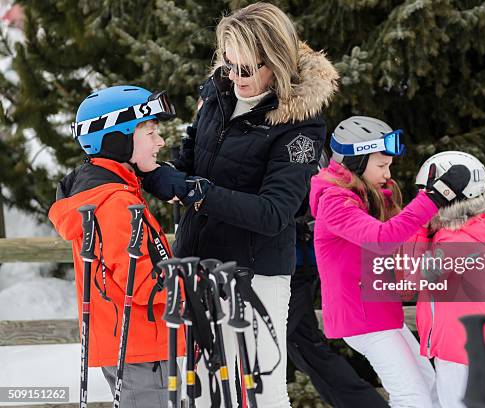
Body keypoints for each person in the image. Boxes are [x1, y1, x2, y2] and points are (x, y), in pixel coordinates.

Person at [142, 3, 339, 407]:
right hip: (196, 266)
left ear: (276, 61)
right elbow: (188, 162)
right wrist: (151, 170)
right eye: (228, 65)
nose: (234, 77)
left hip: (255, 276)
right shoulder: (217, 94)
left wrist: (197, 192)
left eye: (245, 69)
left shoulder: (300, 125)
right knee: (203, 390)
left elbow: (274, 213)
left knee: (261, 389)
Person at [48, 85, 197, 407]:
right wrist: (194, 285)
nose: (160, 142)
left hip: (132, 344)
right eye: (150, 133)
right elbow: (140, 281)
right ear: (117, 139)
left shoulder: (109, 192)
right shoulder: (114, 202)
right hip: (141, 346)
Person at [309, 116, 471, 408]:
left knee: (430, 389)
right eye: (381, 165)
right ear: (356, 162)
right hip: (362, 319)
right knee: (413, 397)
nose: (388, 172)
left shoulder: (367, 197)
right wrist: (435, 196)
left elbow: (408, 237)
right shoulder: (335, 202)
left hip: (381, 312)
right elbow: (383, 239)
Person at [288, 150, 390, 407]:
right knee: (305, 347)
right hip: (295, 262)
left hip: (293, 265)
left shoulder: (293, 141)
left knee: (265, 345)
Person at [412, 151, 485, 408]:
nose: (424, 201)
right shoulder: (471, 231)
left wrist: (419, 227)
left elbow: (418, 275)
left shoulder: (459, 239)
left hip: (457, 345)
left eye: (430, 194)